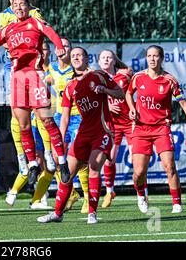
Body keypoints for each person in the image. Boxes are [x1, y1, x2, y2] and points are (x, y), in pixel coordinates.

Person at [0, 0, 69, 187]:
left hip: (35, 76)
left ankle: (62, 161)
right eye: (15, 5)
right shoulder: (7, 29)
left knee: (46, 120)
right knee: (23, 125)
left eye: (22, 4)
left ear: (28, 6)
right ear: (12, 8)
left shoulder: (36, 23)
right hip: (17, 79)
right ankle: (33, 164)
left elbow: (52, 34)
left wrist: (59, 46)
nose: (19, 7)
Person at [37, 47, 124, 224]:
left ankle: (92, 213)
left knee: (93, 168)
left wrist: (105, 90)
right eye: (73, 55)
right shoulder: (70, 86)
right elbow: (65, 117)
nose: (76, 57)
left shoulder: (98, 75)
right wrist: (59, 141)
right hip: (83, 134)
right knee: (67, 173)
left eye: (79, 55)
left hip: (102, 131)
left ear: (86, 59)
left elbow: (120, 93)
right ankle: (57, 213)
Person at [126, 45, 186, 214]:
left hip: (162, 128)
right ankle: (141, 195)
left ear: (161, 58)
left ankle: (177, 203)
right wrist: (132, 108)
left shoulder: (169, 80)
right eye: (149, 56)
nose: (152, 59)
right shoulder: (138, 78)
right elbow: (128, 93)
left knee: (170, 166)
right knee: (138, 173)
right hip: (141, 129)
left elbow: (183, 103)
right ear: (146, 58)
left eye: (156, 56)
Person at [0, 0, 54, 206]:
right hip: (18, 71)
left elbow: (42, 26)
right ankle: (25, 161)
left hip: (39, 86)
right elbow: (5, 38)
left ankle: (48, 159)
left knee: (43, 122)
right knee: (18, 119)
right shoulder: (4, 17)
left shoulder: (35, 14)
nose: (15, 1)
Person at [46, 38, 89, 214]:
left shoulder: (78, 70)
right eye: (59, 46)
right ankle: (71, 193)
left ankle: (88, 197)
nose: (61, 48)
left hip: (79, 117)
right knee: (57, 159)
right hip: (60, 117)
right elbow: (46, 82)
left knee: (78, 159)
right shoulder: (51, 68)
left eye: (65, 46)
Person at [97, 49, 134, 208]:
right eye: (103, 57)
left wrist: (134, 108)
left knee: (137, 160)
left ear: (114, 61)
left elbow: (134, 90)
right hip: (112, 124)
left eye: (109, 57)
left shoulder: (125, 75)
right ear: (99, 61)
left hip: (130, 122)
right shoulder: (96, 78)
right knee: (110, 160)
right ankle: (109, 191)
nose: (106, 59)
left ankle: (143, 194)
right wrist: (108, 108)